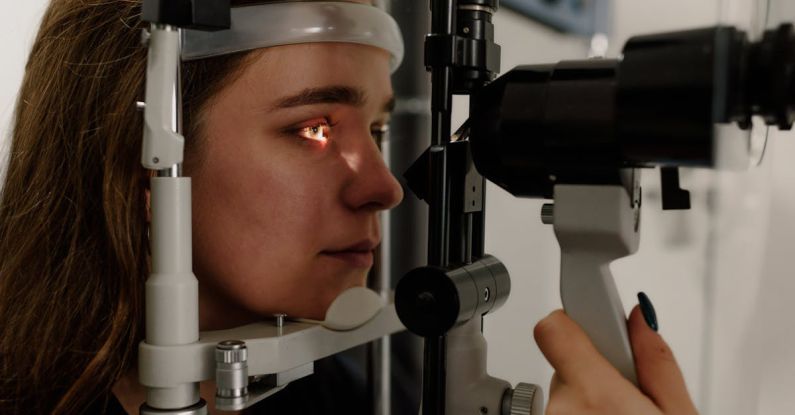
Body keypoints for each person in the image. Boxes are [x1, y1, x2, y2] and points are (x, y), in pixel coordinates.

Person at [0, 0, 697, 414]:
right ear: (144, 162)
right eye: (314, 128)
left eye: (379, 129)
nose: (385, 187)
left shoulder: (344, 384)